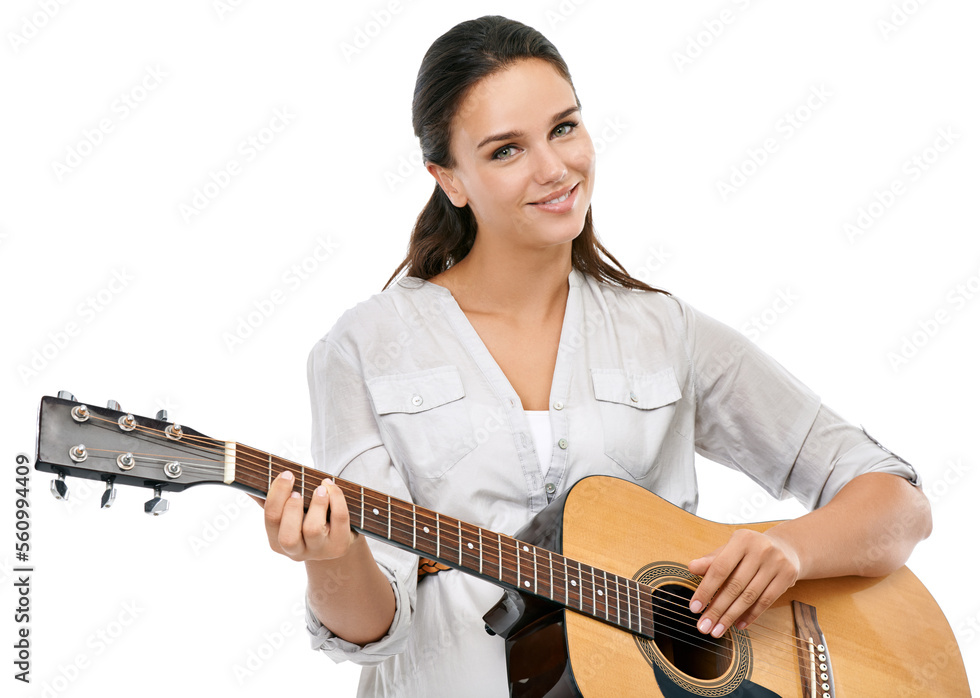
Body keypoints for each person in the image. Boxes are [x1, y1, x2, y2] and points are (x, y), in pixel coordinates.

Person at [256, 15, 931, 698]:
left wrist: (792, 549)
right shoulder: (362, 350)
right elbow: (376, 628)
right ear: (448, 178)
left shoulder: (666, 331)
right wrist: (332, 560)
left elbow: (897, 503)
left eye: (564, 127)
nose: (554, 169)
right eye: (505, 151)